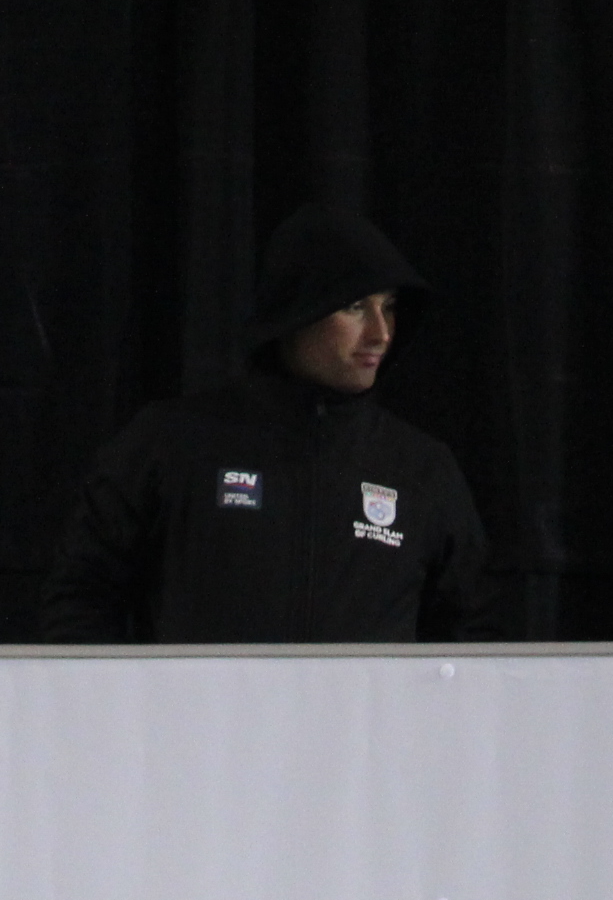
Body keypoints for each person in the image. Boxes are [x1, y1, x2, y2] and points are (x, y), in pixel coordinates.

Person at [41, 203, 501, 643]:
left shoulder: (421, 469)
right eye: (356, 306)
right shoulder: (172, 444)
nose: (380, 333)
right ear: (296, 312)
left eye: (391, 306)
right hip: (198, 726)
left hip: (365, 727)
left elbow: (468, 642)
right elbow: (81, 603)